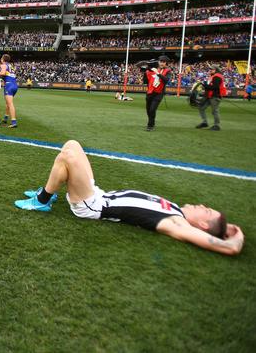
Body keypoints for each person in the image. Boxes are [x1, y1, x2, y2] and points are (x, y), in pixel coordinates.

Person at [14, 140, 244, 256]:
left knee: (66, 157)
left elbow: (229, 248)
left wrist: (237, 236)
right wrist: (224, 226)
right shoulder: (176, 209)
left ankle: (42, 201)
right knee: (72, 144)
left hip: (93, 206)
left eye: (207, 211)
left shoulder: (177, 222)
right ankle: (48, 194)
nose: (203, 205)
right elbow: (215, 231)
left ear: (202, 225)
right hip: (99, 194)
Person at [141, 55, 172, 131]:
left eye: (163, 62)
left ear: (166, 63)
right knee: (148, 110)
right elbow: (145, 81)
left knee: (152, 109)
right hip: (150, 92)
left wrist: (158, 73)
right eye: (160, 61)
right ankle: (151, 123)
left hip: (159, 93)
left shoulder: (167, 71)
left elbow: (166, 80)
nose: (161, 63)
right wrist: (145, 72)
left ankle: (150, 126)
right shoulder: (153, 69)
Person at [195, 65, 226, 131]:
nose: (210, 71)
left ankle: (217, 125)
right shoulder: (215, 76)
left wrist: (204, 85)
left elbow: (215, 87)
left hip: (215, 96)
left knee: (215, 111)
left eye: (212, 69)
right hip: (211, 96)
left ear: (216, 70)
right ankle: (205, 122)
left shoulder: (217, 76)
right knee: (201, 108)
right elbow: (213, 86)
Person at [0, 54, 18, 128]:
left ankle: (14, 121)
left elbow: (2, 73)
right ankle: (6, 118)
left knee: (10, 104)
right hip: (14, 85)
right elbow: (7, 75)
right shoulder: (10, 66)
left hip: (9, 85)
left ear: (3, 59)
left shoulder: (3, 65)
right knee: (8, 103)